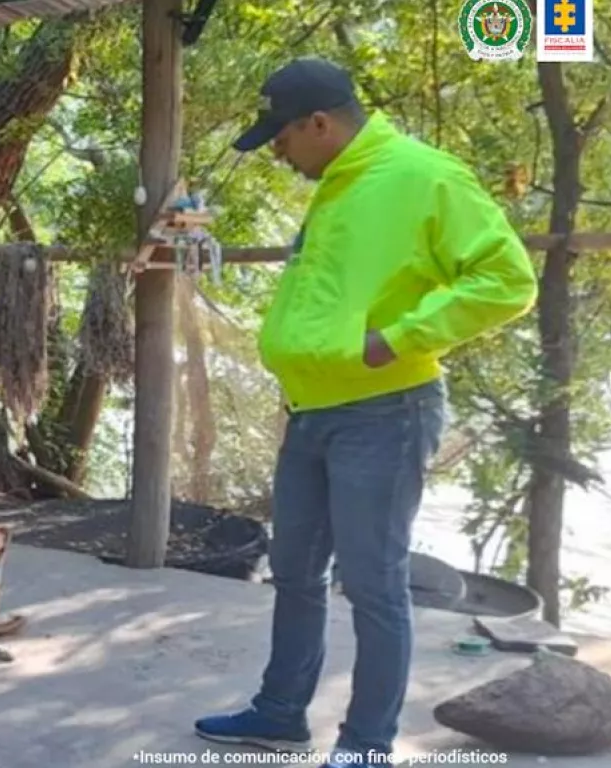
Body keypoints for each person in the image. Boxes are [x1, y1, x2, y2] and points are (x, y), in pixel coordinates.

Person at [193, 57, 538, 767]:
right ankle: (280, 715)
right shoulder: (341, 183)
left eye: (282, 139)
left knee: (374, 583)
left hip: (385, 412)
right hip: (313, 411)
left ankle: (365, 744)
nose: (280, 154)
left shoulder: (422, 175)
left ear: (318, 123)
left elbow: (506, 280)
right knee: (293, 570)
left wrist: (399, 340)